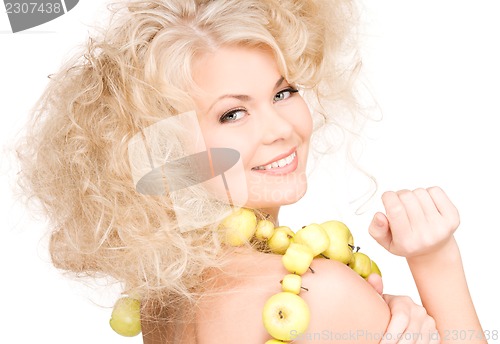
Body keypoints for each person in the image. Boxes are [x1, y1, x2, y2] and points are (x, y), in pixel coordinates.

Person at [15, 0, 484, 343]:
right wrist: (436, 261)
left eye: (283, 93)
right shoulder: (312, 297)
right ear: (166, 151)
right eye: (232, 114)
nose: (282, 128)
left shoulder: (165, 299)